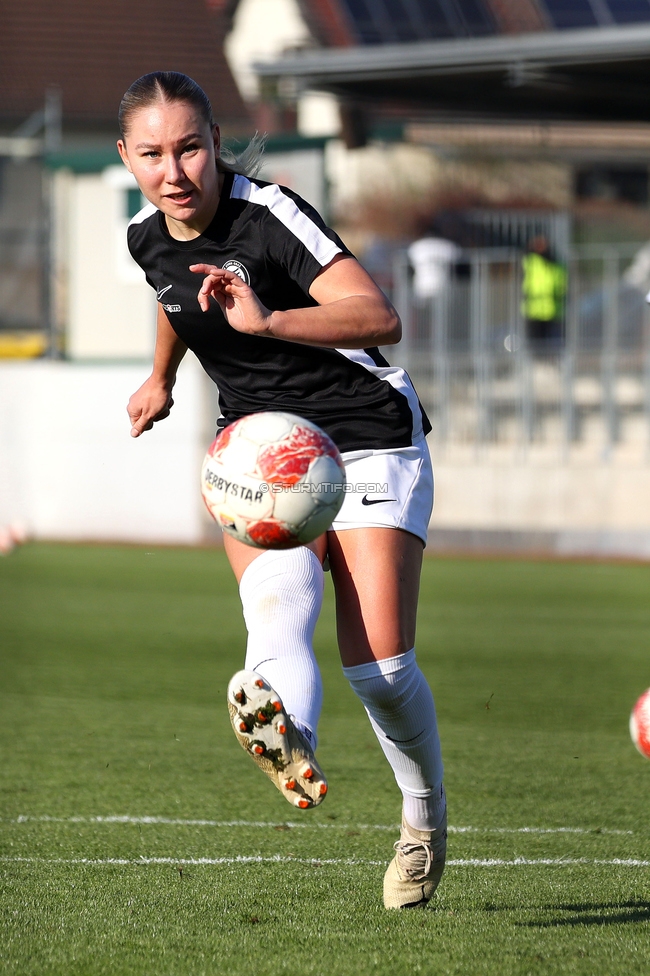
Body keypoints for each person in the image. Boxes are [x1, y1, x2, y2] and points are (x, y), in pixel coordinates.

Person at [117, 71, 445, 910]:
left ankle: (422, 820)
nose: (174, 170)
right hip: (263, 445)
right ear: (126, 157)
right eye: (152, 153)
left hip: (365, 431)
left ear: (216, 142)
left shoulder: (272, 219)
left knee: (379, 667)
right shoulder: (145, 235)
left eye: (189, 146)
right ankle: (287, 729)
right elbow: (173, 291)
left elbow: (377, 316)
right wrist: (160, 376)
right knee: (275, 602)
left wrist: (267, 322)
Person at [522, 235, 567, 350]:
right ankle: (537, 364)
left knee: (553, 343)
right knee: (535, 343)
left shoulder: (556, 263)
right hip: (534, 310)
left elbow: (562, 284)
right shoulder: (530, 262)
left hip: (553, 310)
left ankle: (551, 363)